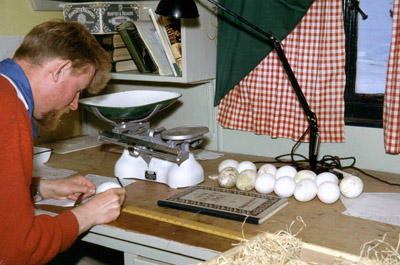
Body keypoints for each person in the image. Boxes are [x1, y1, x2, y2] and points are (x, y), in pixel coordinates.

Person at [0, 20, 126, 264]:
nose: (74, 104)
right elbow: (19, 250)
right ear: (60, 70)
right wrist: (87, 214)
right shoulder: (9, 111)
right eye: (78, 89)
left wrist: (40, 188)